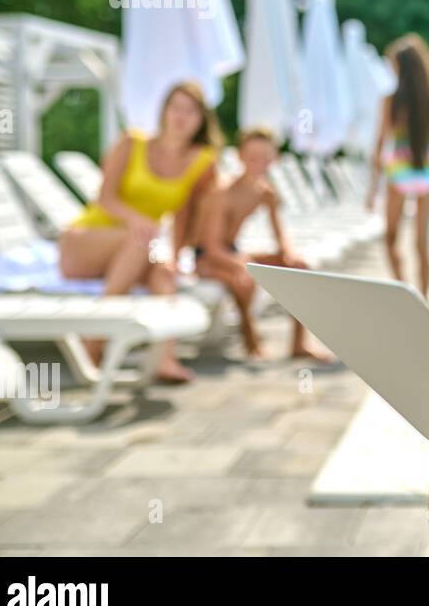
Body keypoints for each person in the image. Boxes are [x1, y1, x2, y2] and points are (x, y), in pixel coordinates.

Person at [58, 80, 220, 384]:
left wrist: (175, 257)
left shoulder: (201, 161)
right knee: (139, 242)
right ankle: (95, 339)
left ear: (201, 119)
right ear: (164, 111)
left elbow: (185, 215)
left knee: (163, 274)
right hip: (85, 242)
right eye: (176, 107)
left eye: (191, 110)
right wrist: (137, 220)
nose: (181, 116)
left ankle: (165, 359)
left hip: (134, 250)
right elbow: (104, 197)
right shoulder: (132, 142)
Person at [190, 127, 333, 363]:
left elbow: (280, 236)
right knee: (244, 277)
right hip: (206, 258)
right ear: (239, 157)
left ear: (274, 159)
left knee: (300, 268)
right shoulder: (222, 192)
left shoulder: (265, 191)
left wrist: (289, 255)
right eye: (252, 157)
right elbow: (212, 247)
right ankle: (251, 339)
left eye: (265, 158)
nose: (259, 163)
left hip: (231, 252)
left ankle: (299, 343)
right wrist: (240, 263)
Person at [367, 34, 429, 295]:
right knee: (422, 245)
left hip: (398, 172)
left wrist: (372, 187)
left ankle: (403, 289)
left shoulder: (390, 100)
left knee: (390, 239)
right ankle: (425, 300)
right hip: (428, 173)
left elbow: (380, 145)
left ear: (400, 66)